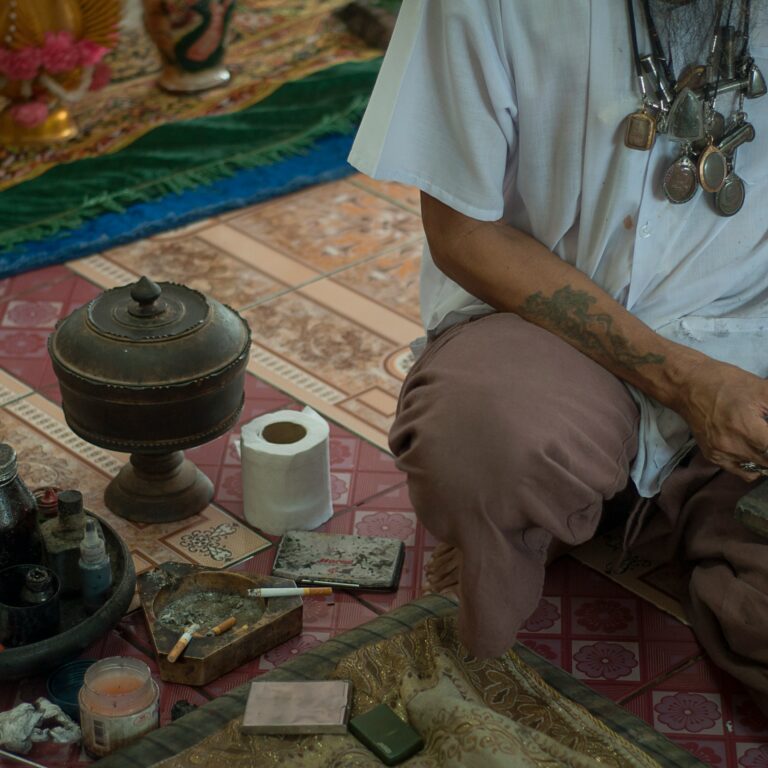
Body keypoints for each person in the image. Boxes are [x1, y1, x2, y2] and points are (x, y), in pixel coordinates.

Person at [348, 0, 768, 709]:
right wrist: (686, 381)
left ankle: (651, 511)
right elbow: (464, 234)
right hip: (552, 334)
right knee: (482, 441)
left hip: (752, 333)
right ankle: (569, 506)